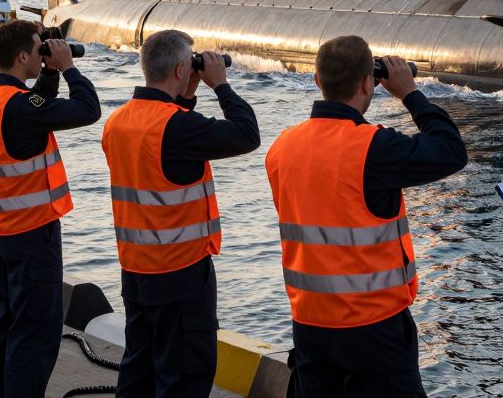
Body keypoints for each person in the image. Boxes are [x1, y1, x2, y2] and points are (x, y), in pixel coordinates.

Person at [265, 35, 468, 397]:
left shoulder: (282, 147)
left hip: (310, 322)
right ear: (367, 82)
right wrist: (410, 93)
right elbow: (452, 150)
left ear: (316, 81)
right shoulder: (373, 148)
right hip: (373, 327)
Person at [101, 30, 261, 397]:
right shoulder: (175, 127)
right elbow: (246, 135)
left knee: (140, 370)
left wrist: (186, 93)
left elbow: (166, 149)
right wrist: (221, 85)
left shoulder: (119, 121)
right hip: (181, 273)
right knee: (185, 377)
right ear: (179, 69)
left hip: (136, 270)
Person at [0, 20, 101, 398]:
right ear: (23, 55)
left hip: (2, 228)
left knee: (6, 319)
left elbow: (36, 109)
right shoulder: (22, 107)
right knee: (36, 329)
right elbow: (87, 110)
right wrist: (69, 68)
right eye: (38, 46)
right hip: (32, 232)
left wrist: (48, 73)